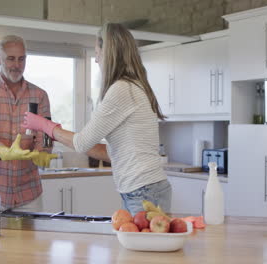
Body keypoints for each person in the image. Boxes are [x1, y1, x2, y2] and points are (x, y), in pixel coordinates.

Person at [22, 23, 172, 216]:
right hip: (144, 189)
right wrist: (55, 133)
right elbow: (110, 152)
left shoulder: (121, 89)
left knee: (140, 247)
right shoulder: (133, 86)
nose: (96, 60)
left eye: (97, 52)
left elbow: (82, 143)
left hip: (142, 191)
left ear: (108, 53)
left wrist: (44, 125)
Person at [0, 35, 56, 212]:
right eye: (10, 59)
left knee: (33, 241)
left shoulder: (40, 96)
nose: (16, 65)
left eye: (21, 59)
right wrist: (3, 151)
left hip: (29, 193)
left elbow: (46, 134)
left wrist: (44, 151)